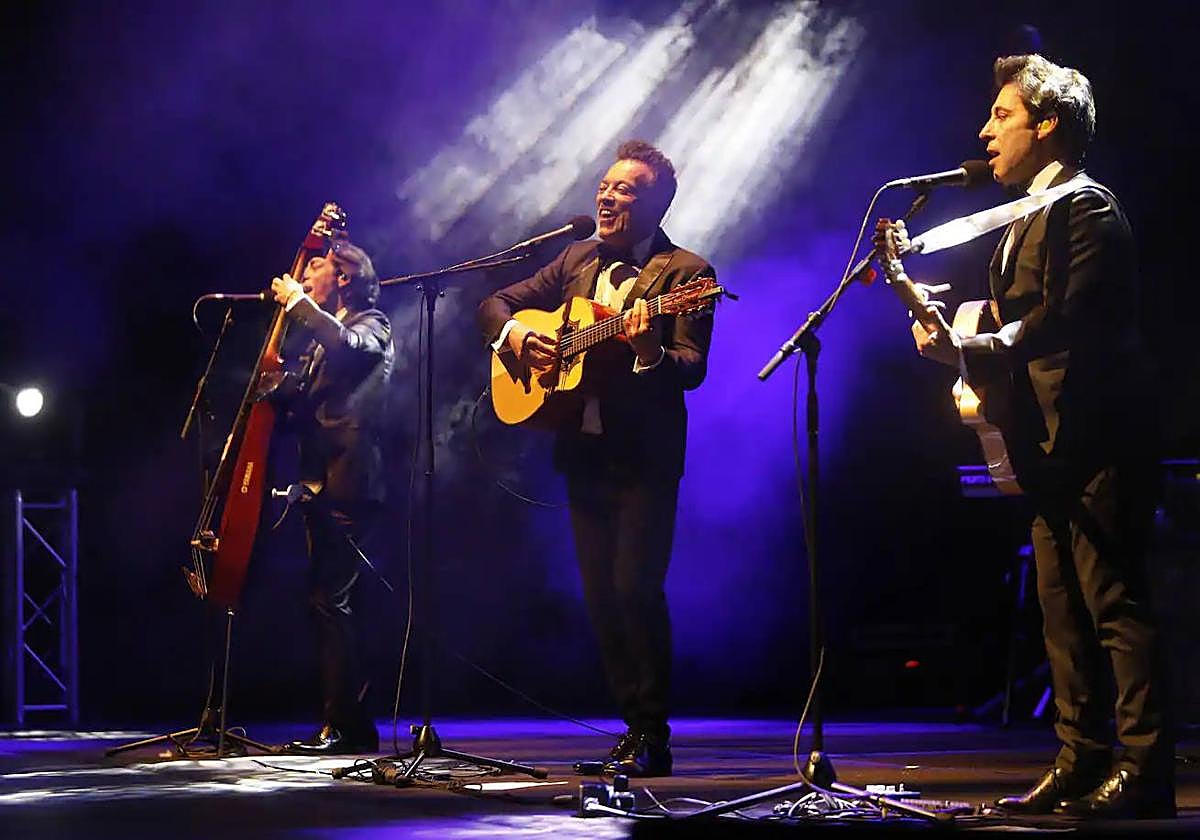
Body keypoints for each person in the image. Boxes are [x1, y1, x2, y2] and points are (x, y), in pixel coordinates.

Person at [902, 55, 1172, 818]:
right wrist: (954, 326)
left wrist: (972, 347)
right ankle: (1080, 760)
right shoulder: (1026, 215)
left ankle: (1146, 768)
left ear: (1047, 124)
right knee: (1062, 610)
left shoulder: (1086, 208)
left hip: (1099, 436)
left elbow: (1066, 320)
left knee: (1113, 604)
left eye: (1002, 116)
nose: (985, 132)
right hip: (1049, 440)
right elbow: (1019, 318)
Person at [477, 140, 715, 777]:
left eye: (624, 189)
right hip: (583, 454)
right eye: (605, 186)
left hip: (645, 461)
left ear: (656, 203)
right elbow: (493, 304)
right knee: (601, 599)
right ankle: (630, 728)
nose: (606, 197)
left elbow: (692, 367)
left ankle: (652, 734)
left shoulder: (687, 274)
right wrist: (518, 336)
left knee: (635, 590)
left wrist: (649, 352)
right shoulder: (576, 257)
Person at [269, 241, 394, 755]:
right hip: (321, 481)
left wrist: (301, 305)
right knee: (329, 601)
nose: (304, 275)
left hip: (350, 481)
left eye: (315, 266)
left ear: (343, 277)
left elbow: (349, 346)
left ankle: (344, 725)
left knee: (331, 599)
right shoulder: (325, 335)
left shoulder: (373, 324)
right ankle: (350, 723)